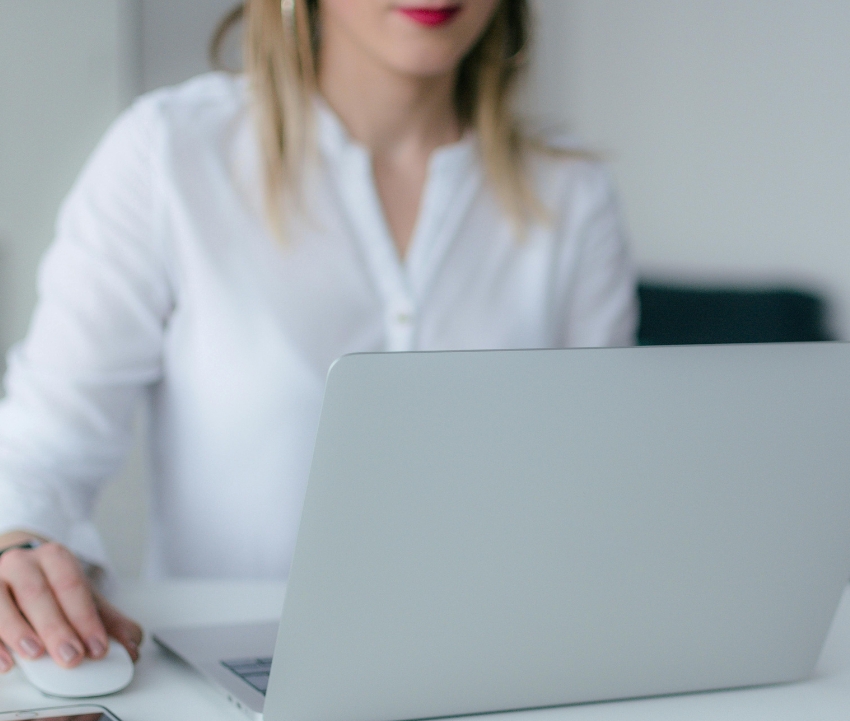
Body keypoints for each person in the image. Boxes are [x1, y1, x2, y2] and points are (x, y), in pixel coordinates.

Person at [0, 0, 636, 675]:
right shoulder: (171, 155)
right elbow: (44, 447)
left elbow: (596, 498)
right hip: (227, 684)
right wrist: (20, 547)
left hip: (493, 675)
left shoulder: (573, 200)